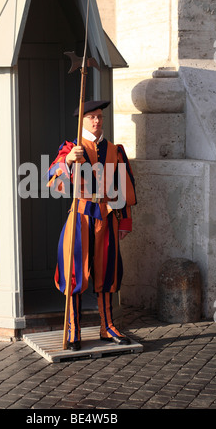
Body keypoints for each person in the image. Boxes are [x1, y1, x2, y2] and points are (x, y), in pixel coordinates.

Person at [47, 100, 137, 351]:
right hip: (80, 217)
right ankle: (73, 328)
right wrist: (68, 163)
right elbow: (52, 178)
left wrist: (125, 221)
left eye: (100, 117)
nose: (97, 121)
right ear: (82, 121)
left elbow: (124, 188)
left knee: (108, 273)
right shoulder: (70, 149)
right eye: (91, 117)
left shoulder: (115, 150)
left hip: (107, 218)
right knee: (74, 272)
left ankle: (107, 326)